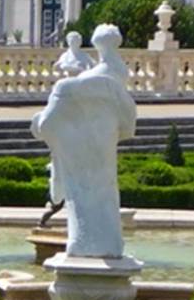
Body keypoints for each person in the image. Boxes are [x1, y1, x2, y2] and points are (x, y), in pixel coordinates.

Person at [32, 24, 137, 258]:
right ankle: (110, 242)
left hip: (81, 140)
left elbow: (49, 120)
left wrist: (40, 123)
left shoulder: (83, 80)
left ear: (97, 43)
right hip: (104, 138)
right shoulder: (119, 76)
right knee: (105, 188)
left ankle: (84, 242)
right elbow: (128, 122)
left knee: (81, 192)